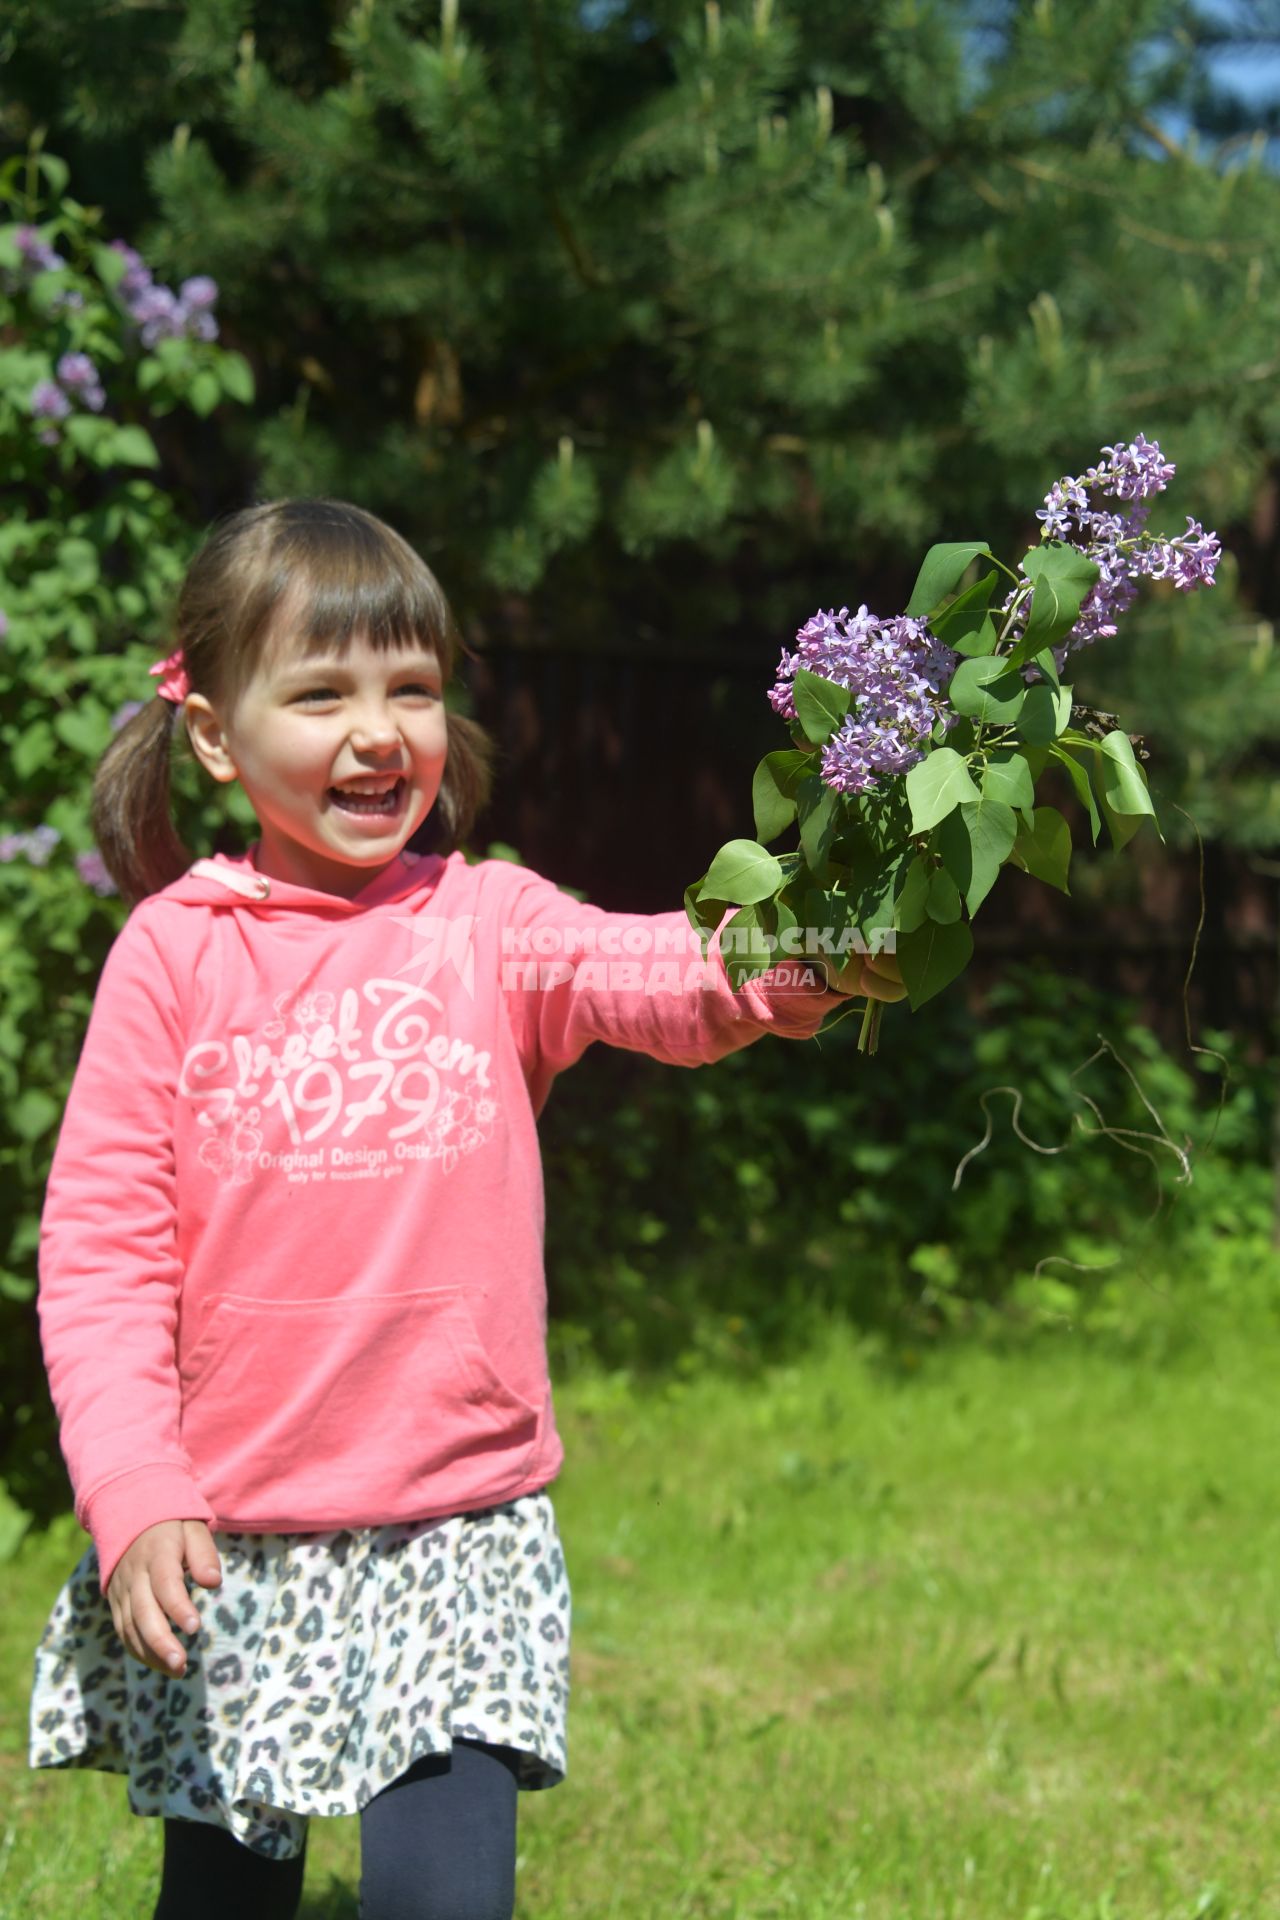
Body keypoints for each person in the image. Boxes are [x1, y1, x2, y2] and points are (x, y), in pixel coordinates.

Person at [28, 498, 905, 1920]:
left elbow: (660, 974)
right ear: (213, 733)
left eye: (413, 689)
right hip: (232, 1537)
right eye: (322, 694)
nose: (380, 733)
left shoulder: (484, 925)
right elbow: (103, 1251)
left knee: (447, 1903)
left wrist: (804, 950)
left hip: (456, 1526)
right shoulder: (171, 960)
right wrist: (132, 1488)